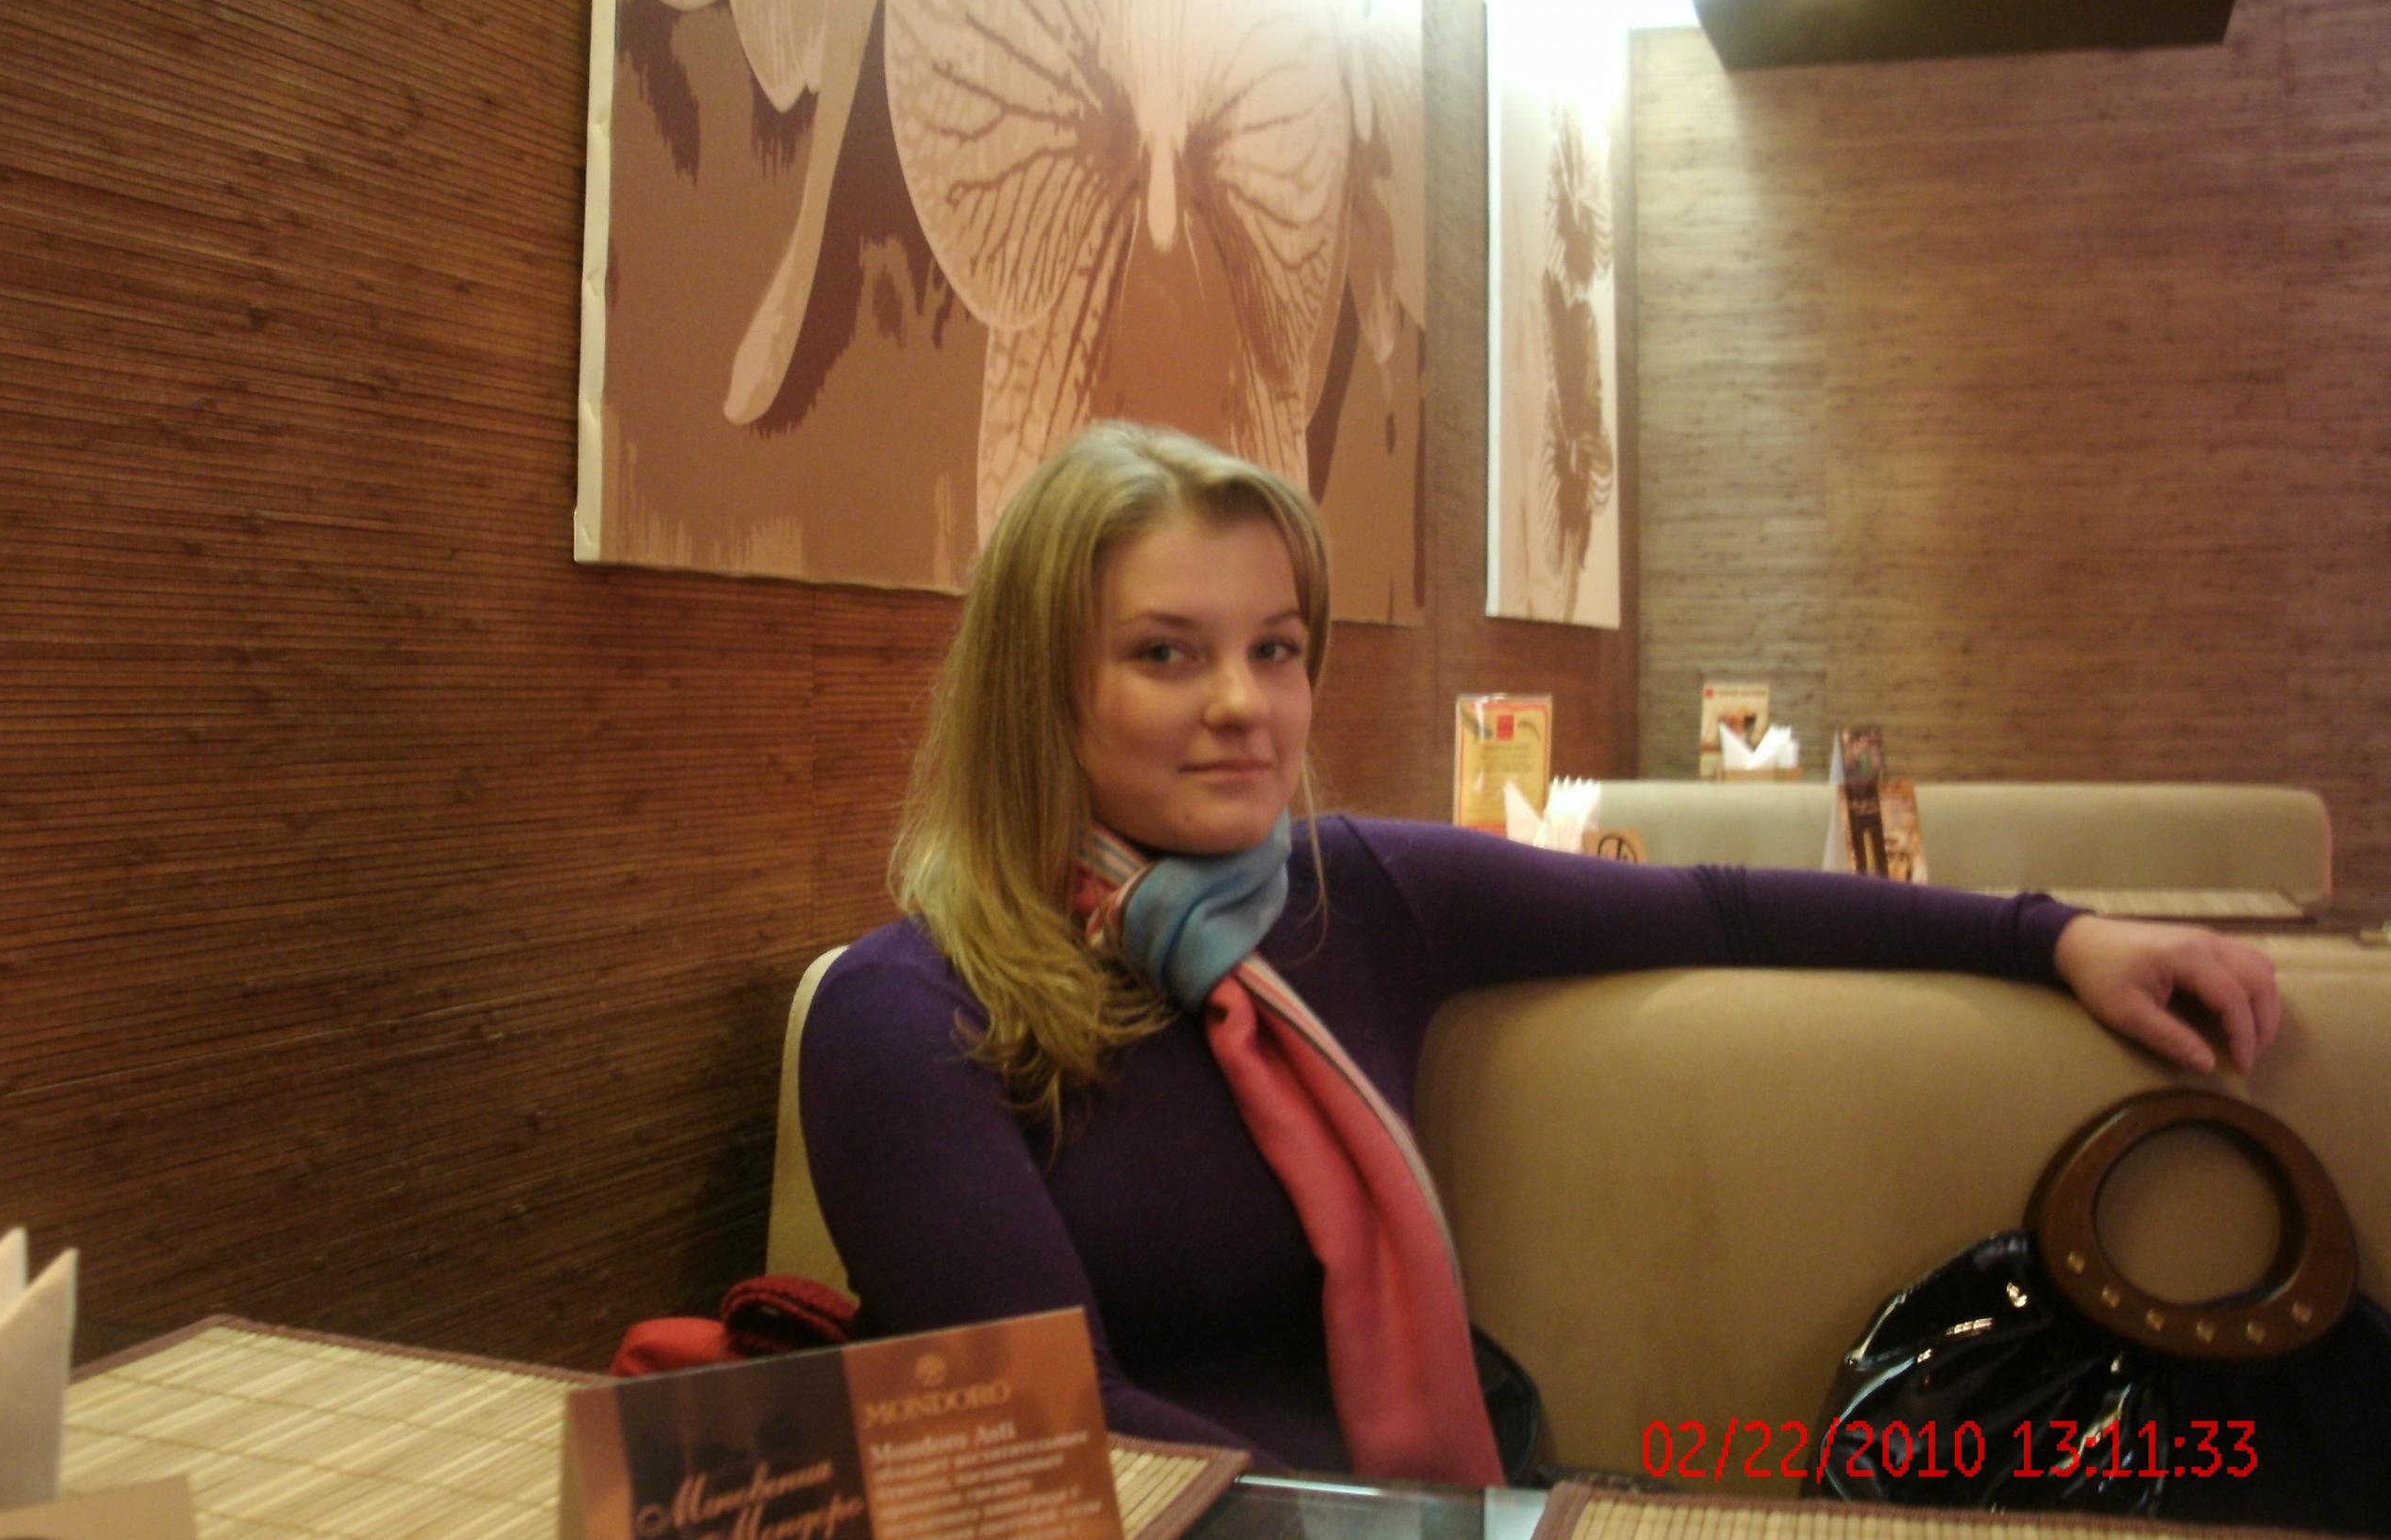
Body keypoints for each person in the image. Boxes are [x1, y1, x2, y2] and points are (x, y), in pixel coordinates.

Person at [800, 422, 2281, 1481]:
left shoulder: (1353, 895)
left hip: (1435, 1529)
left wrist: (2058, 938)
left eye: (1278, 648)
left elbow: (1723, 908)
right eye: (1166, 652)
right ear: (1039, 687)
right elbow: (1066, 1442)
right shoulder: (909, 1015)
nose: (1247, 705)